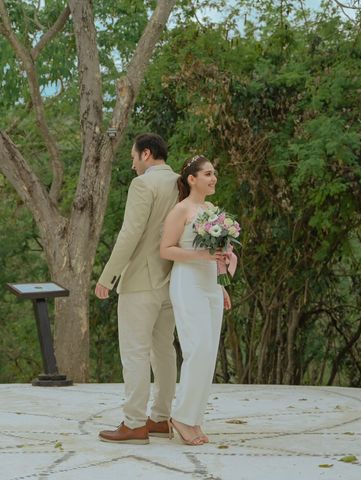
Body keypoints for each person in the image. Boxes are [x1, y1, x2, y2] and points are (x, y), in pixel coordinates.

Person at [95, 133, 179, 445]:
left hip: (141, 282)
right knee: (164, 351)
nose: (132, 165)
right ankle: (160, 417)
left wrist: (107, 277)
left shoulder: (144, 185)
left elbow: (130, 234)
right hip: (173, 279)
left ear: (146, 154)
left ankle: (134, 423)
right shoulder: (181, 182)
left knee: (135, 353)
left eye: (133, 157)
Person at [159, 155, 232, 446]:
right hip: (187, 283)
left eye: (214, 173)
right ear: (192, 179)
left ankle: (195, 419)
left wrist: (222, 285)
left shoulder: (212, 209)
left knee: (209, 352)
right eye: (207, 174)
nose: (213, 178)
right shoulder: (181, 210)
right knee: (197, 349)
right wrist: (201, 256)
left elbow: (218, 253)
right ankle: (181, 417)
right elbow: (166, 250)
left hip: (211, 284)